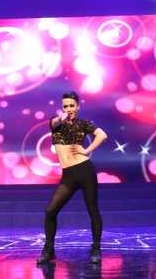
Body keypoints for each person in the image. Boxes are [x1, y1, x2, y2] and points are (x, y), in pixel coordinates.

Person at [36, 91, 108, 264]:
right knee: (50, 211)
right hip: (68, 175)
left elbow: (102, 135)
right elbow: (55, 121)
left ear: (78, 106)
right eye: (65, 106)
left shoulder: (83, 124)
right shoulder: (55, 124)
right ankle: (49, 250)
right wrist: (61, 117)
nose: (69, 109)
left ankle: (96, 249)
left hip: (84, 170)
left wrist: (86, 150)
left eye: (72, 106)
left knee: (93, 209)